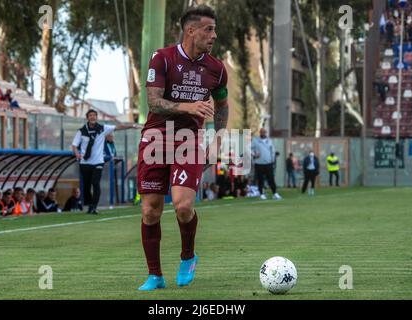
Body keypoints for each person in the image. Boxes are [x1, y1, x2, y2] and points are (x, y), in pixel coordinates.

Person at [136, 5, 229, 291]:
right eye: (208, 29)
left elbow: (223, 105)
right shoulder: (161, 59)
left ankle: (188, 256)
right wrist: (189, 106)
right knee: (150, 211)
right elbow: (154, 102)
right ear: (191, 30)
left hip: (188, 140)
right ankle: (155, 275)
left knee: (183, 206)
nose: (213, 35)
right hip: (155, 137)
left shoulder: (217, 68)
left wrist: (218, 139)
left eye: (214, 29)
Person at [72, 109, 139, 214]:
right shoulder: (81, 131)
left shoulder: (102, 128)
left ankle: (94, 207)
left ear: (96, 117)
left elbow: (117, 127)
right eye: (90, 115)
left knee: (96, 183)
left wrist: (132, 126)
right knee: (86, 186)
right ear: (87, 118)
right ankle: (90, 205)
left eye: (94, 115)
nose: (93, 117)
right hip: (85, 162)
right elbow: (74, 145)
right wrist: (77, 154)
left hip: (98, 161)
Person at [251, 128, 282, 200]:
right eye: (262, 132)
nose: (263, 133)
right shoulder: (255, 141)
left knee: (271, 178)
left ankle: (275, 193)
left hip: (268, 163)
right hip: (259, 163)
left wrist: (273, 160)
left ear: (266, 133)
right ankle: (261, 193)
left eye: (264, 132)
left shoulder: (269, 141)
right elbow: (250, 149)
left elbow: (273, 151)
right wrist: (254, 154)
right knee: (260, 179)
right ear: (260, 133)